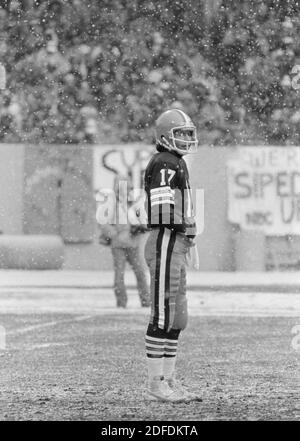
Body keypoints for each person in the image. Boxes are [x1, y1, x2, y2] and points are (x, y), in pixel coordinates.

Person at [143, 108, 201, 402]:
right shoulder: (165, 162)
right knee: (164, 314)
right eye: (182, 134)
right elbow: (163, 211)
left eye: (189, 133)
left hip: (175, 241)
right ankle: (156, 383)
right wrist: (182, 232)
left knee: (178, 317)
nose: (187, 139)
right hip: (166, 239)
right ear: (166, 135)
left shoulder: (174, 161)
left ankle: (169, 379)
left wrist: (188, 238)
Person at [96, 176, 150, 308]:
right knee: (119, 274)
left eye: (129, 188)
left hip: (133, 243)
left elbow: (143, 219)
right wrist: (114, 234)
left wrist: (140, 227)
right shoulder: (110, 203)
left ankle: (146, 300)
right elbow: (103, 222)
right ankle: (121, 302)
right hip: (118, 245)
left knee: (140, 273)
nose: (127, 190)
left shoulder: (134, 203)